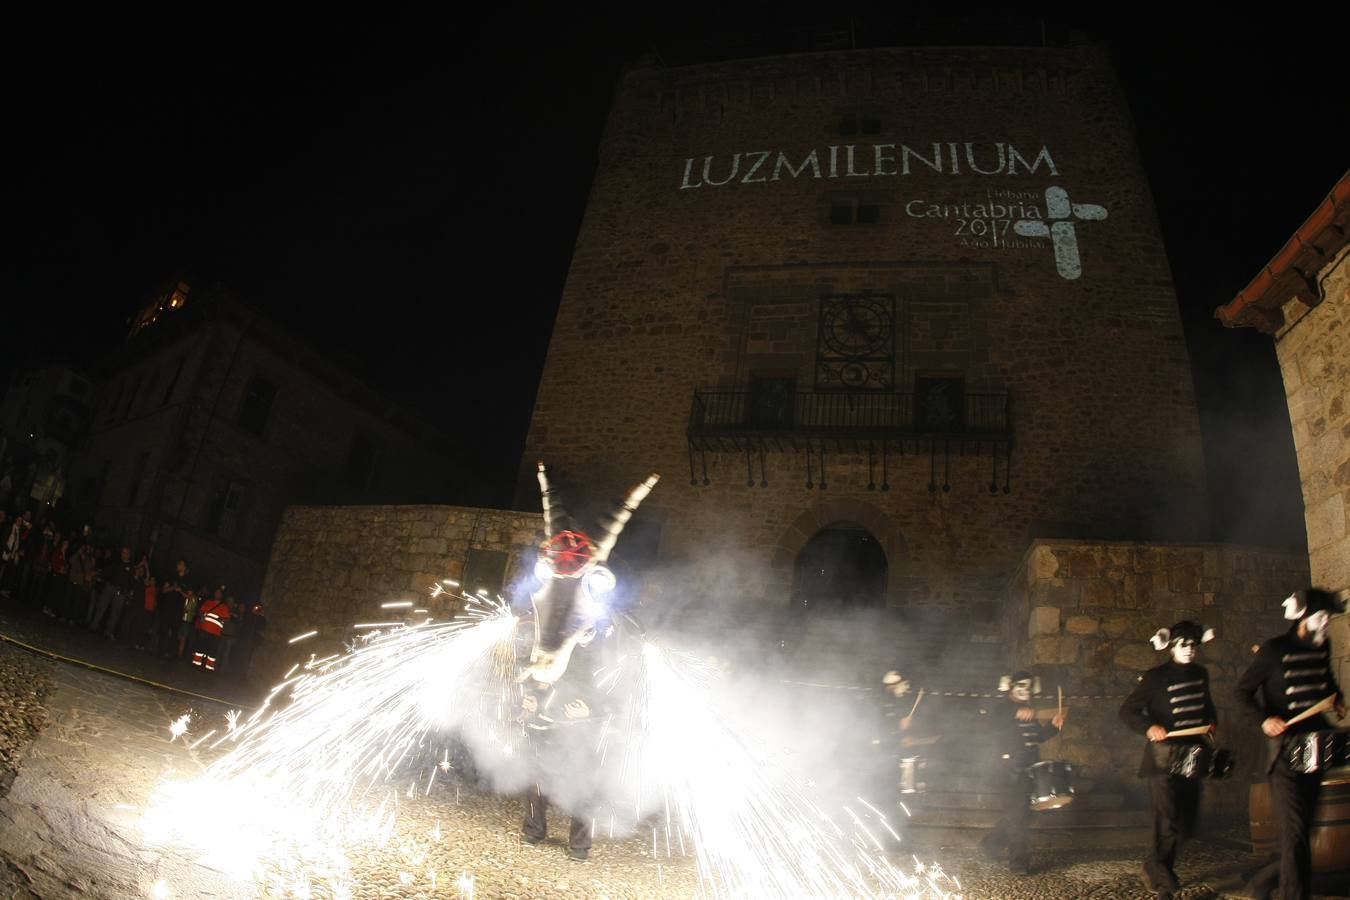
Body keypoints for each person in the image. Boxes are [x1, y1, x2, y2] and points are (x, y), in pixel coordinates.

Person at [1235, 588, 1347, 900]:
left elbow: (1326, 684)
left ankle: (1262, 882)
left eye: (1328, 618)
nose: (1326, 623)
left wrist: (1336, 700)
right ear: (1304, 617)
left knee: (1299, 833)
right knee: (1296, 832)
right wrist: (1264, 719)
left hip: (1316, 750)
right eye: (1321, 617)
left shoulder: (1322, 647)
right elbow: (1241, 693)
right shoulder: (1273, 650)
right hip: (1284, 754)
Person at [1119, 621, 1218, 898]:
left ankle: (1152, 865)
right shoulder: (1155, 677)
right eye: (1183, 644)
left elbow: (1207, 706)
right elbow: (1127, 711)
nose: (1189, 650)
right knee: (1168, 820)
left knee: (1186, 823)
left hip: (1192, 757)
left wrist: (1211, 722)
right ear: (1172, 647)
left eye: (1193, 645)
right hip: (1162, 760)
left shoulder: (1201, 674)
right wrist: (1149, 727)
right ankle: (1163, 880)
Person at [519, 620, 606, 861]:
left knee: (583, 787)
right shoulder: (554, 642)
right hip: (548, 725)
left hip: (583, 731)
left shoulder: (603, 651)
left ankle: (579, 845)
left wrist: (591, 711)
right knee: (536, 781)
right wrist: (533, 702)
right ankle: (534, 831)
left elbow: (615, 696)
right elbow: (538, 681)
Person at [979, 670, 1065, 875]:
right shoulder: (1001, 708)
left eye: (1028, 686)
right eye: (1021, 686)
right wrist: (1013, 713)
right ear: (1011, 688)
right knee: (1017, 816)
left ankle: (991, 843)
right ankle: (1019, 863)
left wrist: (1053, 727)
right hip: (1007, 770)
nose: (1025, 690)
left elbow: (1037, 737)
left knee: (1019, 814)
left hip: (1028, 770)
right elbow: (991, 722)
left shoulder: (1028, 710)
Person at [156, 559, 191, 659]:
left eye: (180, 564)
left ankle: (171, 653)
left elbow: (188, 597)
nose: (178, 565)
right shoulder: (171, 577)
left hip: (178, 611)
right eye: (178, 563)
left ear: (184, 567)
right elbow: (163, 589)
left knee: (175, 632)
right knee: (164, 630)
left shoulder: (187, 580)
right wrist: (172, 588)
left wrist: (180, 591)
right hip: (167, 608)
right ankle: (160, 651)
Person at [191, 586, 231, 671]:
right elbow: (201, 611)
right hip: (204, 629)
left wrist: (222, 618)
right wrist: (201, 616)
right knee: (200, 647)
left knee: (212, 650)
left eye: (219, 593)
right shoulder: (208, 602)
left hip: (216, 632)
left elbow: (227, 618)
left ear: (221, 596)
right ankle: (196, 664)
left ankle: (208, 667)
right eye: (216, 592)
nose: (217, 594)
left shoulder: (224, 607)